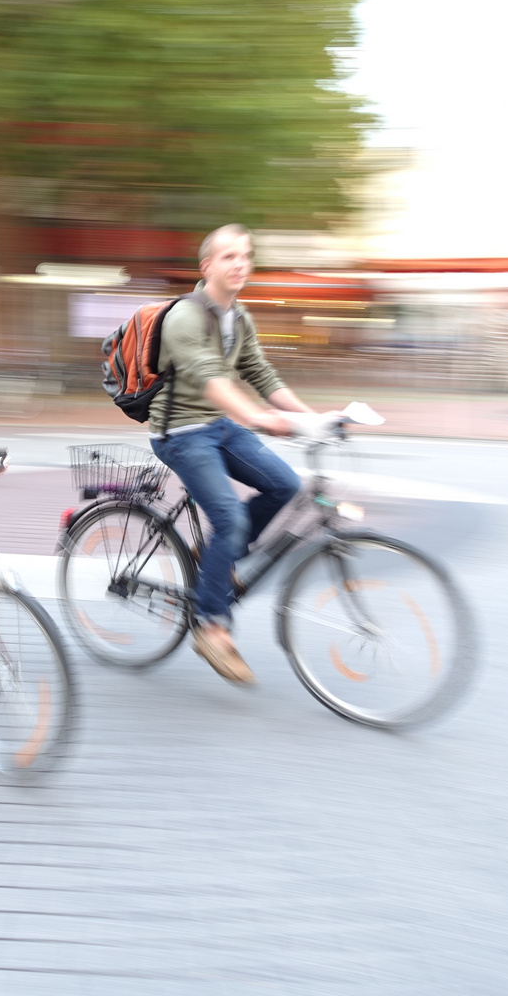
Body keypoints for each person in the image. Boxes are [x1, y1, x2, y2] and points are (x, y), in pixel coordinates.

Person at [150, 224, 334, 686]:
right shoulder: (184, 319)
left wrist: (314, 418)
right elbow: (212, 381)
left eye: (246, 256)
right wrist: (263, 419)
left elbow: (261, 374)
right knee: (229, 515)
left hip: (219, 425)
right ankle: (212, 626)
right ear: (206, 266)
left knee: (285, 485)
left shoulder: (240, 317)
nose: (240, 264)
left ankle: (214, 555)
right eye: (229, 256)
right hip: (181, 432)